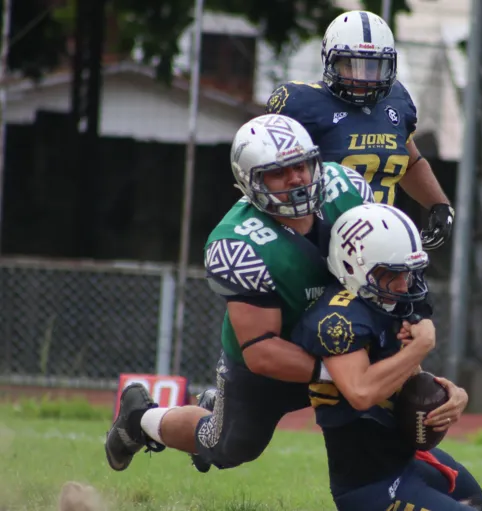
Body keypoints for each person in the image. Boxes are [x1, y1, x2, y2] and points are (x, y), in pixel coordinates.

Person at [104, 113, 376, 472]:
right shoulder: (237, 244)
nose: (296, 178)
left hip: (342, 333)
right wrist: (338, 375)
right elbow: (262, 351)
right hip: (270, 358)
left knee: (408, 398)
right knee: (228, 447)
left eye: (301, 165)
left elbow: (390, 270)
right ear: (251, 181)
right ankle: (140, 419)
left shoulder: (349, 190)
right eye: (279, 172)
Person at [291, 203, 482, 510]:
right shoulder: (338, 318)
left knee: (474, 501)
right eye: (391, 274)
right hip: (371, 485)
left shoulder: (383, 301)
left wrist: (451, 393)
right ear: (353, 266)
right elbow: (361, 392)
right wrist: (420, 346)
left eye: (407, 273)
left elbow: (407, 376)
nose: (402, 285)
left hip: (403, 459)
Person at [265, 10, 455, 251]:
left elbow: (411, 163)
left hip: (383, 246)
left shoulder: (396, 101)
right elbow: (266, 173)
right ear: (330, 61)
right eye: (351, 65)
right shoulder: (302, 105)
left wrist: (439, 205)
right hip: (321, 246)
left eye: (373, 66)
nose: (363, 77)